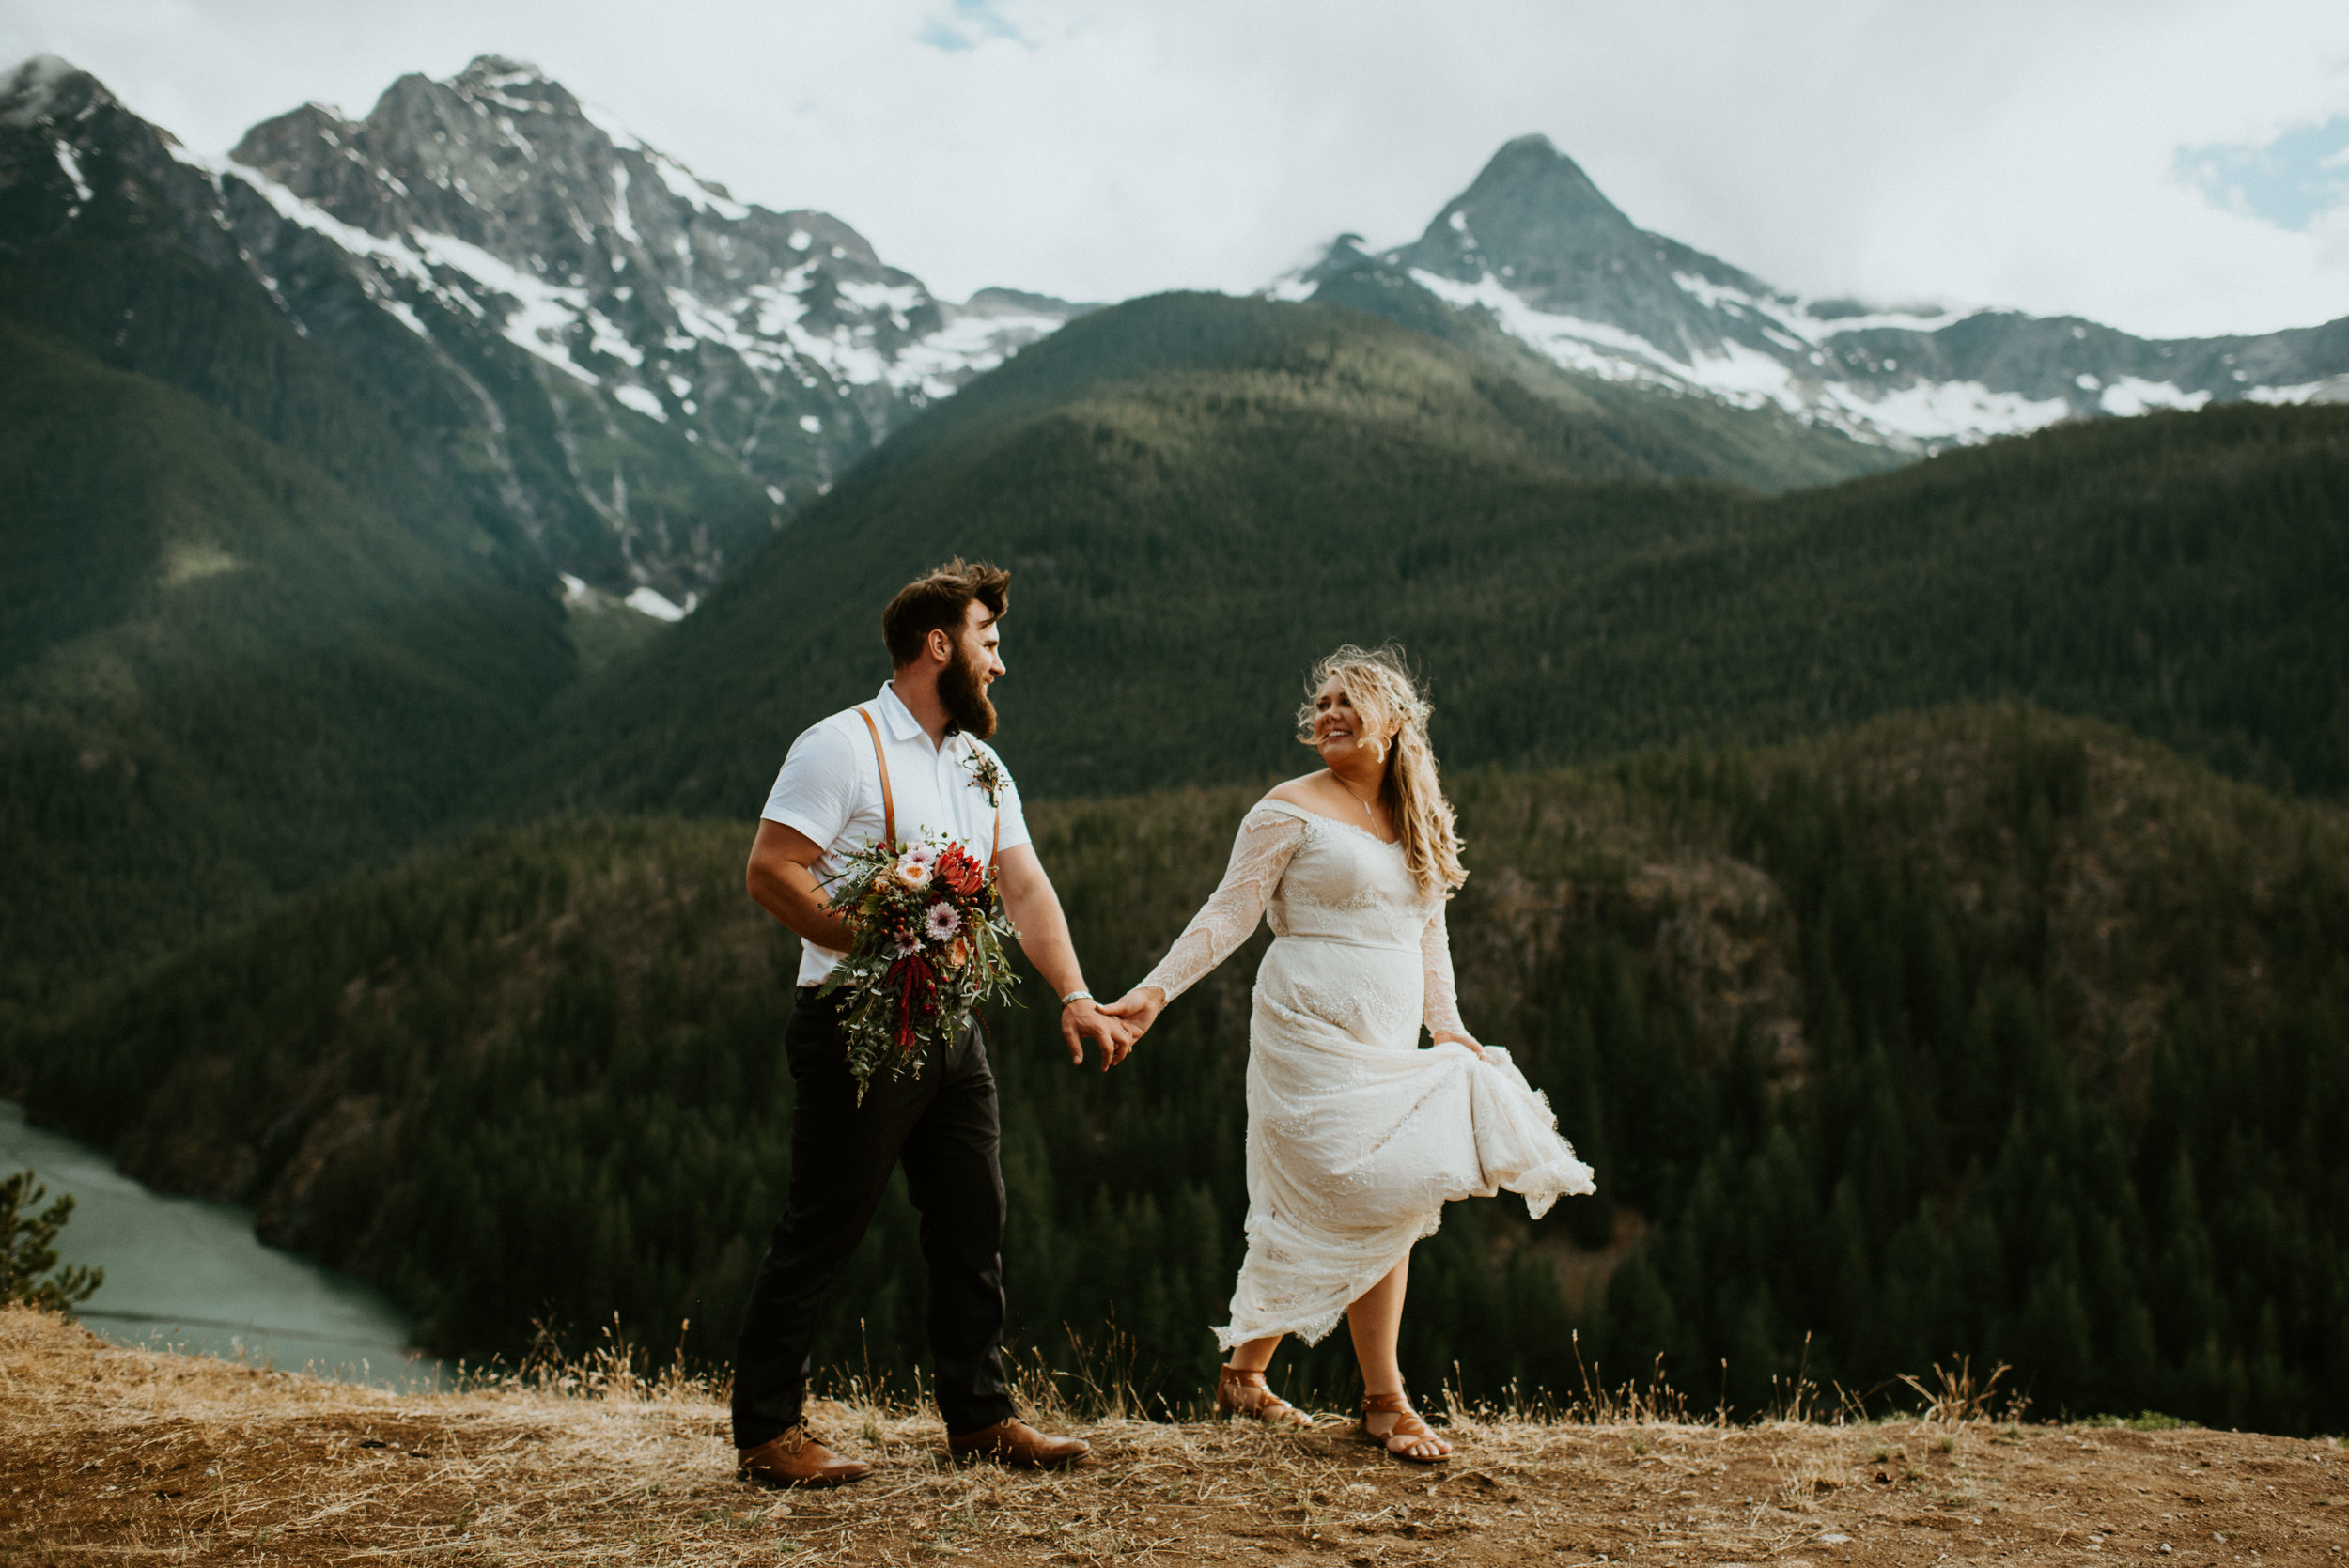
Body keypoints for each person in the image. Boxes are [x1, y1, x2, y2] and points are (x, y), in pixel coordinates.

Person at [1103, 645, 1593, 1464]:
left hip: (1387, 1041)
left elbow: (1428, 933)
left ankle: (1246, 1377)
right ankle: (1384, 1399)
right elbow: (1227, 916)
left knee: (1364, 1193)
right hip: (1305, 1034)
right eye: (1321, 701)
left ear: (1394, 724)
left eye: (1348, 701)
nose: (1328, 712)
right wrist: (1153, 994)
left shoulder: (1416, 818)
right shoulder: (1286, 809)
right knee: (1365, 1190)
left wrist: (1450, 1027)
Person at [731, 557, 1134, 1487]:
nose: (1001, 663)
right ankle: (766, 1431)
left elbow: (1022, 885)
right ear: (939, 645)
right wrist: (871, 942)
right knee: (825, 1223)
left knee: (971, 1215)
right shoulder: (839, 745)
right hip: (853, 1022)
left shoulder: (980, 764)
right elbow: (769, 869)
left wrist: (1075, 994)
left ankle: (981, 1416)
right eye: (989, 641)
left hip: (953, 1026)